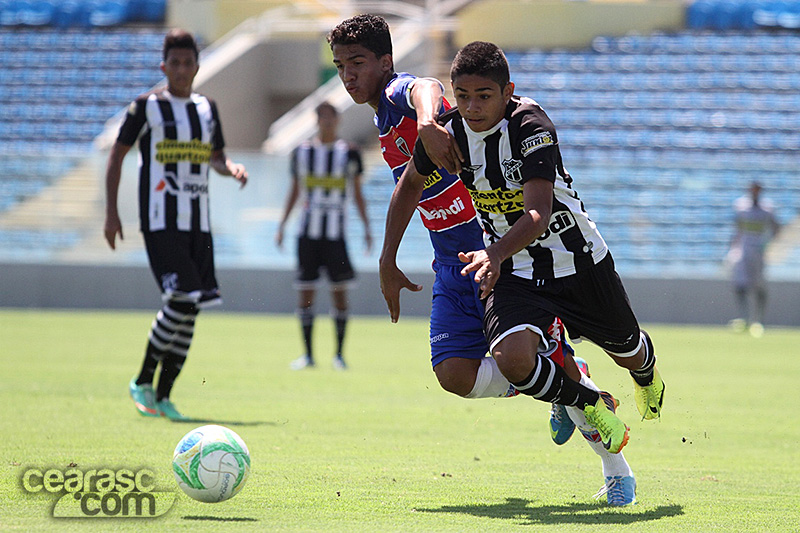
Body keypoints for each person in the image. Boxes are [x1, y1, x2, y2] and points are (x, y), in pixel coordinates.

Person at [329, 15, 636, 503]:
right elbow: (408, 191)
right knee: (454, 373)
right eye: (340, 65)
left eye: (357, 63)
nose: (348, 75)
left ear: (385, 63)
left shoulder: (399, 95)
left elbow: (425, 86)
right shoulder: (381, 120)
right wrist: (387, 260)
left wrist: (428, 122)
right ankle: (549, 383)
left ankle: (617, 471)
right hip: (450, 261)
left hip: (495, 254)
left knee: (561, 373)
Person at [388, 40, 665, 445]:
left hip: (576, 260)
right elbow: (410, 183)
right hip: (516, 270)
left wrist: (494, 252)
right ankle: (590, 403)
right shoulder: (450, 134)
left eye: (484, 96)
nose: (472, 107)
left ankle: (646, 375)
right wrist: (386, 258)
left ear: (507, 91)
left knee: (627, 349)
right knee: (512, 359)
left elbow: (537, 213)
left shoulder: (530, 126)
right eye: (463, 96)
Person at [103, 29, 248, 420]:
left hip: (198, 223)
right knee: (182, 297)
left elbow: (216, 157)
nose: (182, 70)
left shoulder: (206, 108)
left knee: (192, 307)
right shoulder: (145, 108)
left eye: (189, 63)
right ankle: (142, 379)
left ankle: (163, 396)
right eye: (176, 63)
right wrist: (112, 213)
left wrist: (229, 168)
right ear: (164, 67)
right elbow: (116, 156)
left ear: (197, 67)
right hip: (159, 220)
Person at [275, 101, 372, 370]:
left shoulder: (349, 152)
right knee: (306, 292)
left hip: (335, 235)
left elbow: (358, 192)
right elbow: (295, 189)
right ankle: (307, 355)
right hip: (308, 233)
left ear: (338, 120)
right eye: (322, 118)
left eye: (331, 118)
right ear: (316, 120)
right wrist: (282, 224)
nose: (327, 122)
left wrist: (366, 228)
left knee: (339, 293)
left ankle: (339, 354)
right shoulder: (303, 152)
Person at [727, 181, 780, 337]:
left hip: (759, 252)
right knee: (739, 285)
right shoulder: (741, 206)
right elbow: (737, 229)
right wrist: (732, 248)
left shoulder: (767, 208)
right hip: (743, 251)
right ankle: (744, 318)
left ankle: (758, 321)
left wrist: (769, 245)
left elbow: (776, 228)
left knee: (759, 286)